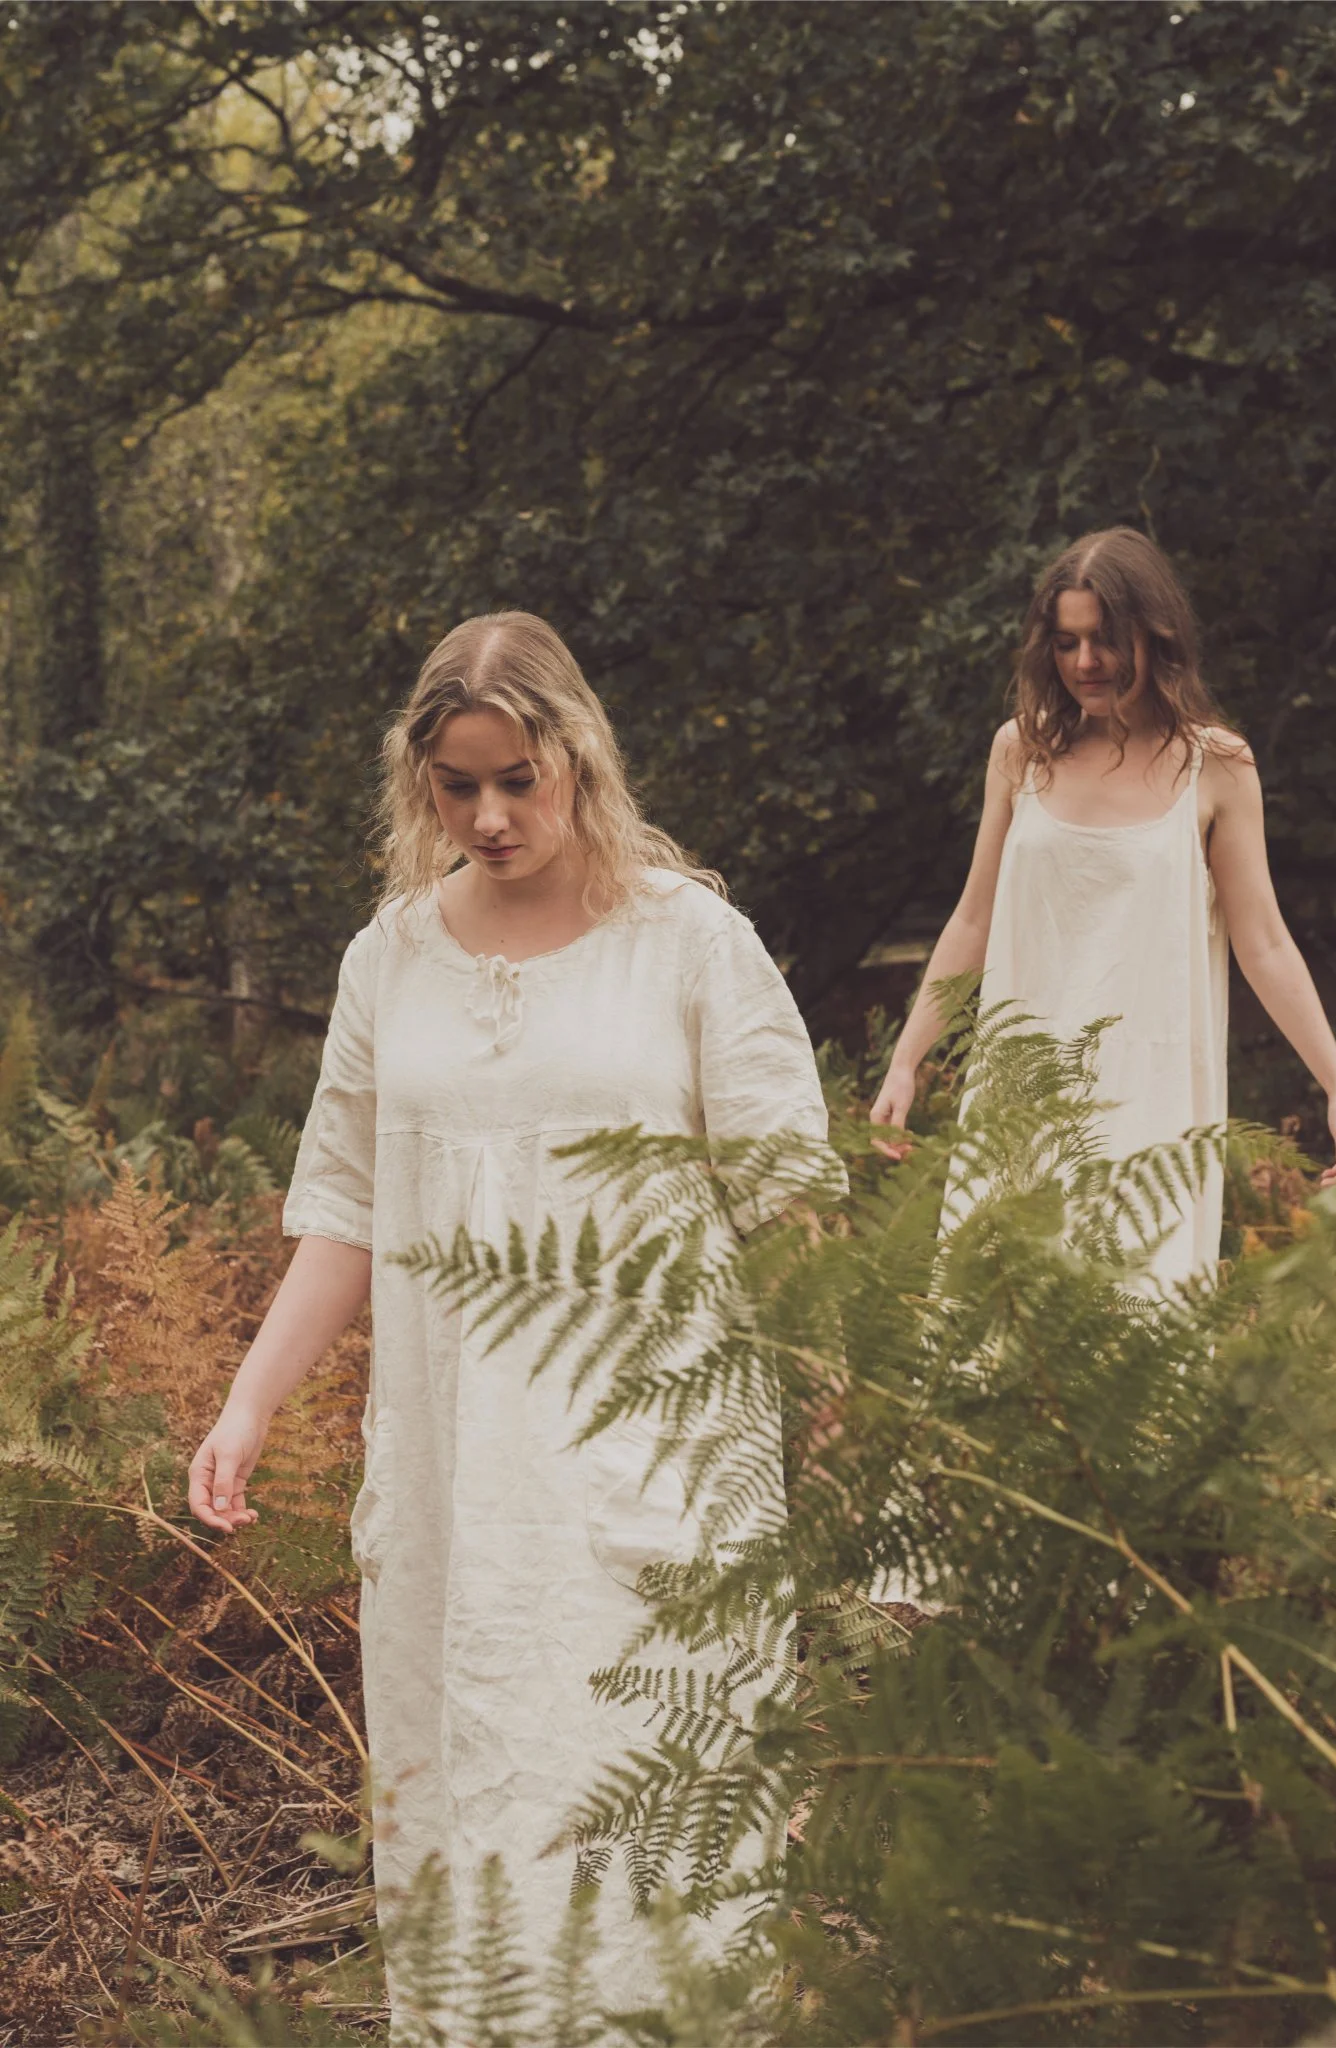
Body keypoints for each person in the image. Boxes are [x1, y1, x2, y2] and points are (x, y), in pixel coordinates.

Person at [188, 613, 832, 2019]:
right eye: (457, 785)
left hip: (652, 1463)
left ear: (577, 756)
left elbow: (791, 1206)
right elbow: (345, 1208)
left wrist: (847, 1401)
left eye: (516, 780)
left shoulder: (689, 944)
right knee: (474, 1799)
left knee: (651, 1803)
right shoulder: (390, 958)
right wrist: (248, 1401)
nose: (487, 816)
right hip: (455, 1477)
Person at [871, 528, 1336, 1283]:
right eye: (1065, 642)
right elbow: (973, 918)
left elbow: (1263, 942)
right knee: (999, 1318)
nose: (1084, 663)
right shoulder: (1020, 752)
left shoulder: (1216, 765)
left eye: (1104, 639)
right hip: (1021, 1092)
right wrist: (907, 1061)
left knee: (1138, 1318)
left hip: (1152, 1099)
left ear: (1154, 635)